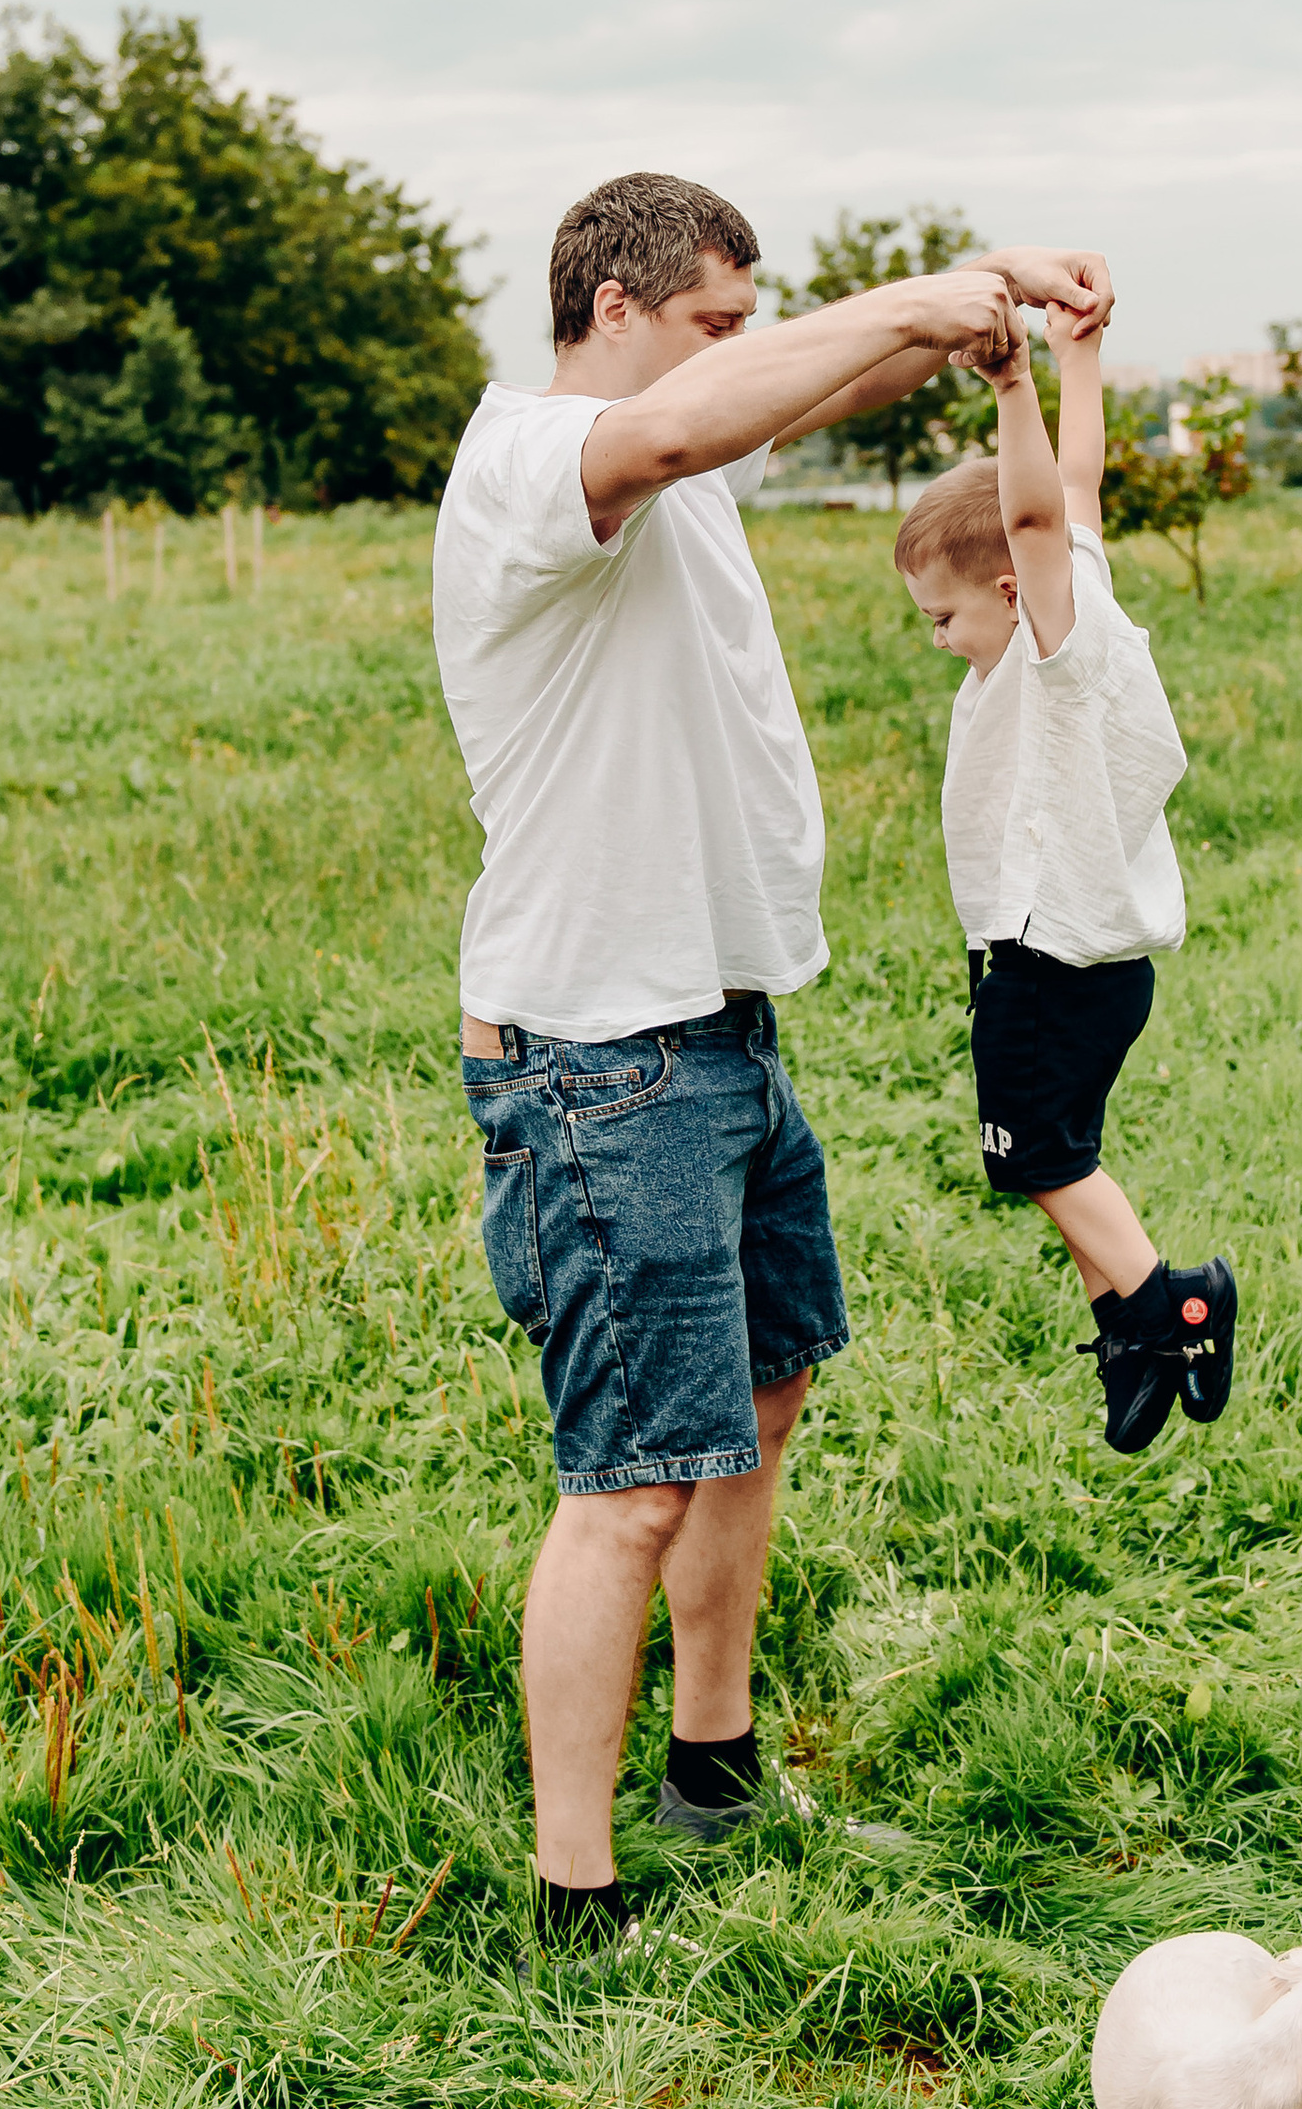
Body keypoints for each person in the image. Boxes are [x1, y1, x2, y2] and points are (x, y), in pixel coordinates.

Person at [432, 171, 1109, 1955]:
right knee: (632, 1476)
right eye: (715, 320)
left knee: (766, 1394)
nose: (743, 359)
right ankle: (573, 1895)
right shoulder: (535, 465)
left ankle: (714, 1760)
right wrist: (923, 289)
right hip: (596, 1052)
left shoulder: (684, 444)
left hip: (715, 1021)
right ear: (613, 306)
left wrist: (964, 329)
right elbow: (723, 406)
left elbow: (796, 392)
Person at [892, 298, 1236, 1453]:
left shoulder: (1057, 636)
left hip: (1049, 957)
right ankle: (1132, 1344)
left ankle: (1173, 1304)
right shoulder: (1074, 586)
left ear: (1003, 591)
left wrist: (1012, 383)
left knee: (1032, 1157)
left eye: (939, 616)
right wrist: (1079, 356)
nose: (933, 638)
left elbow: (1038, 505)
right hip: (1091, 960)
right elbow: (1072, 489)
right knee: (1057, 1157)